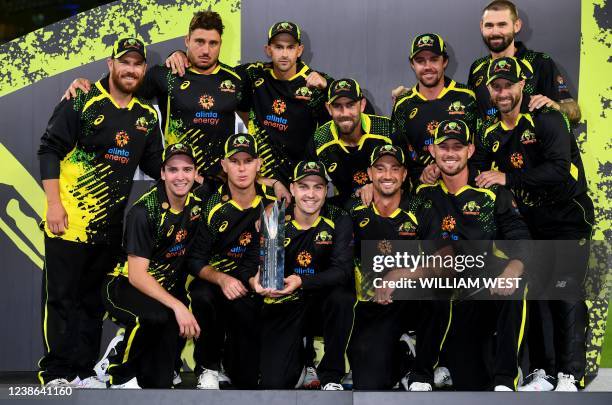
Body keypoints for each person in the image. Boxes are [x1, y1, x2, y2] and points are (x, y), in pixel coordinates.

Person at [37, 37, 163, 388]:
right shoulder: (82, 99)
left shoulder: (145, 117)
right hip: (68, 224)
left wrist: (187, 173)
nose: (131, 69)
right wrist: (53, 205)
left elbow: (155, 165)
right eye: (125, 62)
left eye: (138, 64)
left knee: (92, 303)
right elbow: (49, 149)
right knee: (61, 299)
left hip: (108, 229)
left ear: (142, 71)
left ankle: (81, 371)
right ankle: (56, 374)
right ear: (111, 64)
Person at [473, 56, 594, 391]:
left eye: (508, 85)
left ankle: (571, 374)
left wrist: (507, 177)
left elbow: (558, 169)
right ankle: (542, 371)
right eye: (496, 87)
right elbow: (477, 174)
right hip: (531, 224)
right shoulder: (490, 133)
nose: (503, 92)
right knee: (537, 294)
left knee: (565, 290)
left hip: (568, 218)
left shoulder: (547, 117)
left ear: (521, 86)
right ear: (489, 90)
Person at [63, 11, 252, 183]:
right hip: (178, 184)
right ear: (187, 40)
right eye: (199, 41)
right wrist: (85, 85)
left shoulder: (235, 80)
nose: (205, 50)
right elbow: (121, 87)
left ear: (221, 43)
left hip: (221, 184)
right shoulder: (165, 75)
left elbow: (249, 122)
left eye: (213, 43)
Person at [414, 119, 531, 391]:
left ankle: (505, 381)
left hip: (478, 292)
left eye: (458, 146)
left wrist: (512, 271)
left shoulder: (490, 191)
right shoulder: (422, 192)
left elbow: (520, 237)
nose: (451, 153)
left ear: (470, 150)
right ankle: (420, 373)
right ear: (433, 151)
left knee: (517, 285)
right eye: (444, 147)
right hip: (441, 292)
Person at [346, 144, 449, 391]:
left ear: (404, 175)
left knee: (439, 292)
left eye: (395, 169)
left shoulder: (421, 209)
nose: (387, 175)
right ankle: (404, 357)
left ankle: (421, 373)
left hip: (410, 300)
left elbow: (445, 262)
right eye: (380, 169)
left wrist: (399, 275)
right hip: (372, 307)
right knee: (370, 383)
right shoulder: (354, 208)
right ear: (369, 174)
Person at [103, 143, 201, 388]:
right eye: (173, 170)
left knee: (158, 382)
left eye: (187, 170)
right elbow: (137, 276)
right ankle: (117, 372)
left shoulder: (197, 205)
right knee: (155, 315)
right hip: (123, 283)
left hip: (160, 289)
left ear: (195, 173)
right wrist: (178, 306)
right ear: (163, 173)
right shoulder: (144, 212)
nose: (181, 176)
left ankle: (130, 350)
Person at [250, 160, 354, 390]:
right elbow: (256, 265)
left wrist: (301, 281)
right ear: (293, 189)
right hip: (287, 302)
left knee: (343, 298)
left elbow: (343, 271)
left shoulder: (338, 218)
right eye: (304, 186)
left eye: (318, 187)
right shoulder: (275, 218)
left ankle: (331, 375)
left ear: (326, 191)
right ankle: (301, 363)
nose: (311, 194)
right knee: (274, 383)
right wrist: (256, 279)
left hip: (322, 300)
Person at [187, 133, 275, 389]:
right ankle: (208, 367)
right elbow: (194, 260)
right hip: (215, 281)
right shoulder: (212, 206)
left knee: (246, 379)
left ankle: (236, 363)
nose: (241, 168)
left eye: (248, 160)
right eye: (234, 161)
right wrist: (222, 279)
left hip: (251, 283)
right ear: (224, 165)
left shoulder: (272, 202)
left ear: (258, 164)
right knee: (203, 296)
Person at [468, 0, 581, 123]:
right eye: (489, 25)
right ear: (481, 26)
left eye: (502, 25)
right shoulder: (477, 67)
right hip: (488, 141)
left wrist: (555, 106)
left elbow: (575, 113)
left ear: (517, 26)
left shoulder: (539, 62)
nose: (495, 32)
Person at [391, 33, 478, 187]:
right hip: (424, 194)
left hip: (465, 190)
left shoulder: (467, 97)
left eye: (434, 59)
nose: (427, 67)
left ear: (444, 61)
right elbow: (399, 156)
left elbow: (481, 147)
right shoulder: (403, 105)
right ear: (412, 64)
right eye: (420, 61)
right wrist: (421, 174)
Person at [307, 78, 392, 206]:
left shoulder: (386, 129)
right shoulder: (320, 139)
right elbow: (306, 183)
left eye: (350, 105)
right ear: (328, 108)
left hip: (386, 203)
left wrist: (378, 188)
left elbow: (407, 175)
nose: (344, 113)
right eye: (337, 106)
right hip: (346, 208)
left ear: (362, 105)